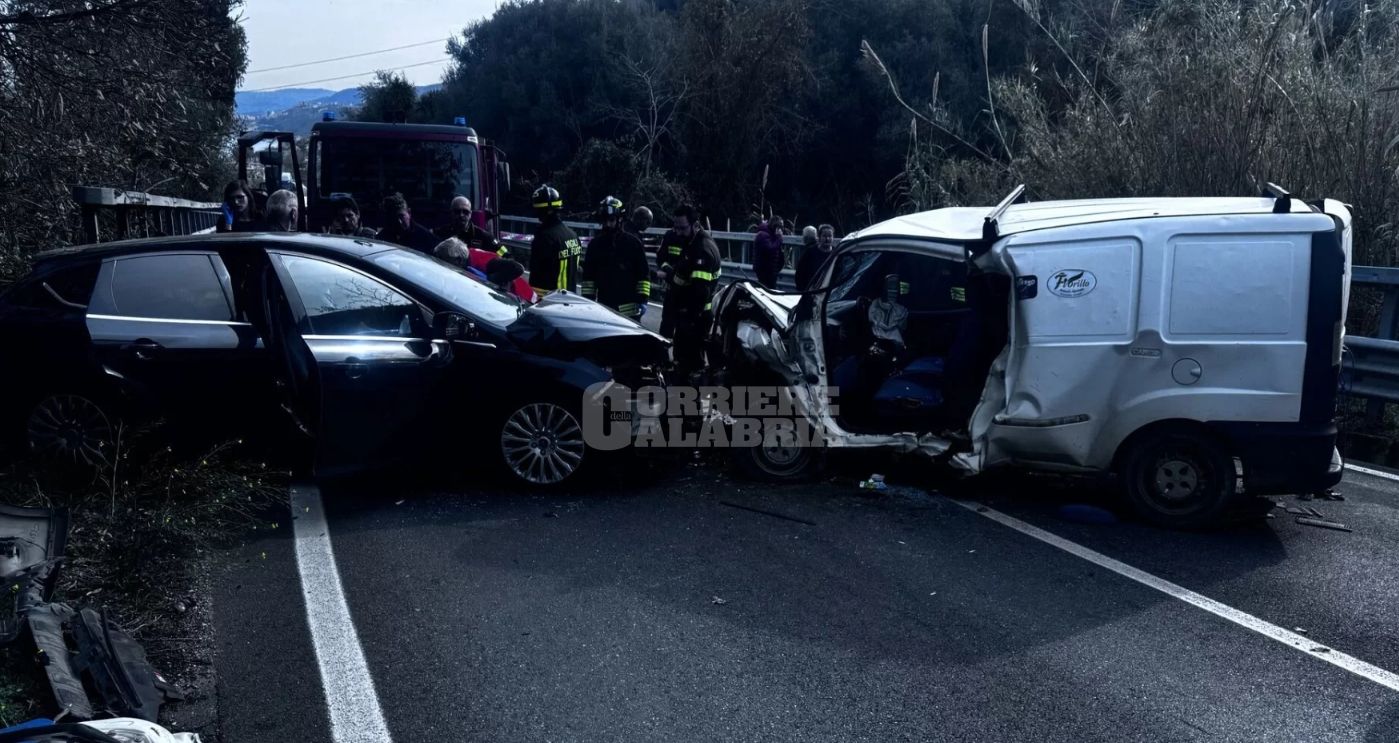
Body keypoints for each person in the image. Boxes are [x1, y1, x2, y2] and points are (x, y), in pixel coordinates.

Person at [658, 204, 721, 377]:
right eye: (675, 228)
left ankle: (689, 399)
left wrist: (689, 315)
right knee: (683, 362)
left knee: (691, 366)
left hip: (695, 317)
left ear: (695, 224)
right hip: (688, 314)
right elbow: (683, 275)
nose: (678, 233)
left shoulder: (702, 249)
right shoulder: (691, 242)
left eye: (682, 228)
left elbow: (699, 292)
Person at [580, 196, 650, 320]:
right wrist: (588, 303)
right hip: (604, 310)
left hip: (630, 313)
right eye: (604, 220)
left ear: (620, 220)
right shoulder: (595, 246)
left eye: (611, 220)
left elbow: (643, 276)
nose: (607, 224)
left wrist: (643, 299)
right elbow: (588, 279)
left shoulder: (633, 244)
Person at [433, 238, 536, 303]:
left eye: (444, 261)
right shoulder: (469, 256)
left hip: (526, 299)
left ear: (459, 260)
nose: (442, 265)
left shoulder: (483, 263)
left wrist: (488, 281)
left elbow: (517, 268)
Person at [527, 185, 583, 295]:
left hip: (550, 302)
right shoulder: (573, 235)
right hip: (572, 299)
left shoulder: (544, 238)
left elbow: (536, 276)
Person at [433, 195, 507, 257]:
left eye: (465, 212)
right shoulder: (440, 233)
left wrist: (492, 259)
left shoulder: (484, 236)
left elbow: (505, 253)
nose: (461, 215)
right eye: (457, 212)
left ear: (470, 214)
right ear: (451, 213)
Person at [796, 223, 836, 290]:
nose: (827, 238)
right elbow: (800, 272)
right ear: (819, 237)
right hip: (810, 291)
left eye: (830, 236)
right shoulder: (810, 252)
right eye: (824, 236)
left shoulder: (836, 253)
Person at [752, 214, 786, 290]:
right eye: (781, 227)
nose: (782, 229)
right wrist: (779, 238)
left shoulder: (770, 234)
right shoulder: (763, 235)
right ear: (776, 227)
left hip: (770, 270)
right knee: (767, 290)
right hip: (765, 270)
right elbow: (770, 249)